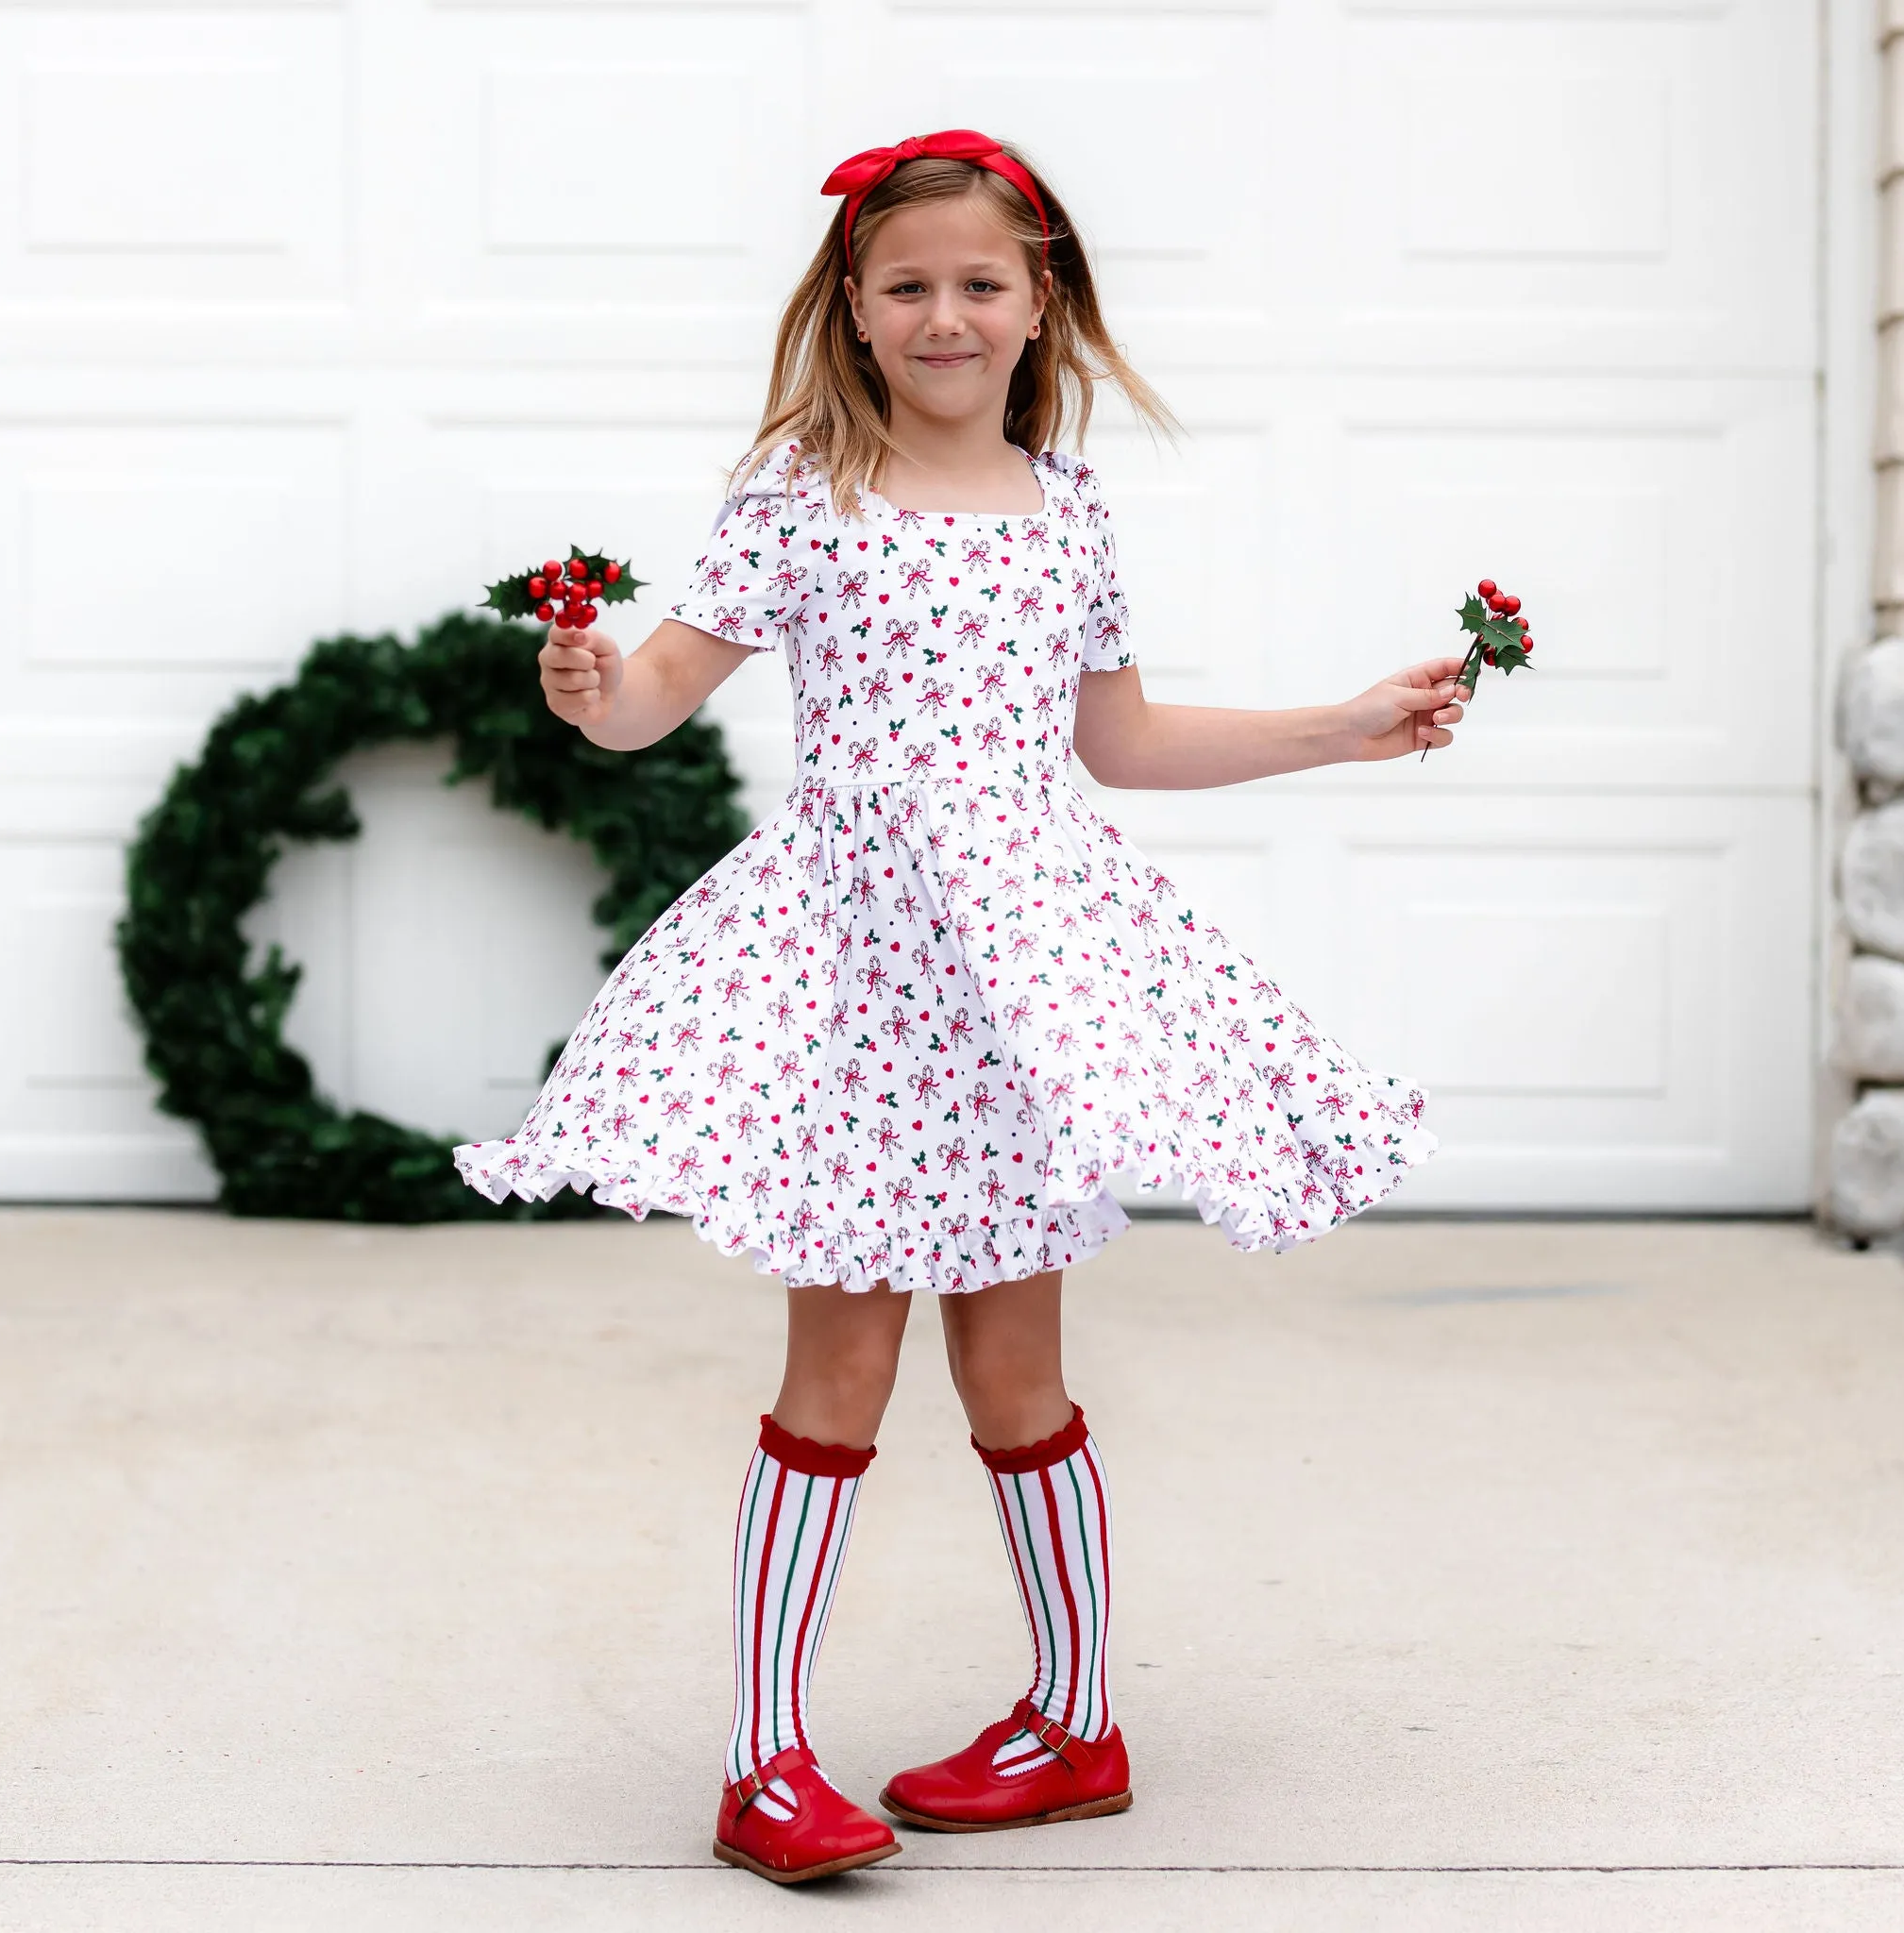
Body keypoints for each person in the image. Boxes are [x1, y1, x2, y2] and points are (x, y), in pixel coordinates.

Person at [456, 128, 1460, 1887]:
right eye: (907, 284)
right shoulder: (796, 492)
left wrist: (1341, 724)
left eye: (977, 284)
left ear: (1036, 297)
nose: (944, 314)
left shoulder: (1068, 505)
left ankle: (1078, 1722)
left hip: (1023, 979)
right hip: (853, 973)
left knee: (1018, 1367)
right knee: (838, 1361)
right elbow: (651, 704)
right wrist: (588, 680)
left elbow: (1121, 744)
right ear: (852, 304)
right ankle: (764, 1763)